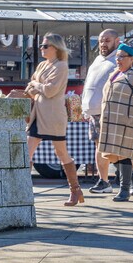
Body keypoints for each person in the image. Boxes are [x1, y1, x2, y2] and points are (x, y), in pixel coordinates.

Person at [20, 33, 83, 206]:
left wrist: (36, 86)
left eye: (45, 46)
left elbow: (50, 90)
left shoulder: (62, 66)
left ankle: (75, 190)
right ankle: (23, 189)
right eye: (41, 45)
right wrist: (36, 87)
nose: (42, 48)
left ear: (56, 48)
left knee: (61, 153)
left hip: (53, 116)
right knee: (27, 150)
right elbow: (29, 88)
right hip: (37, 114)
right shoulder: (42, 65)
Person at [97, 43, 133, 202]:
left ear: (131, 58)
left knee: (124, 154)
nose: (118, 60)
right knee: (114, 154)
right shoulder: (115, 73)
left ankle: (124, 190)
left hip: (128, 121)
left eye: (122, 57)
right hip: (111, 121)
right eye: (117, 56)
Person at [81, 29, 119, 194]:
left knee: (109, 148)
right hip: (94, 112)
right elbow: (89, 83)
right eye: (101, 40)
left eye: (107, 40)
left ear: (117, 41)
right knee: (99, 147)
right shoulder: (97, 59)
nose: (103, 44)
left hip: (109, 112)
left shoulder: (120, 59)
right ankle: (104, 181)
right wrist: (84, 107)